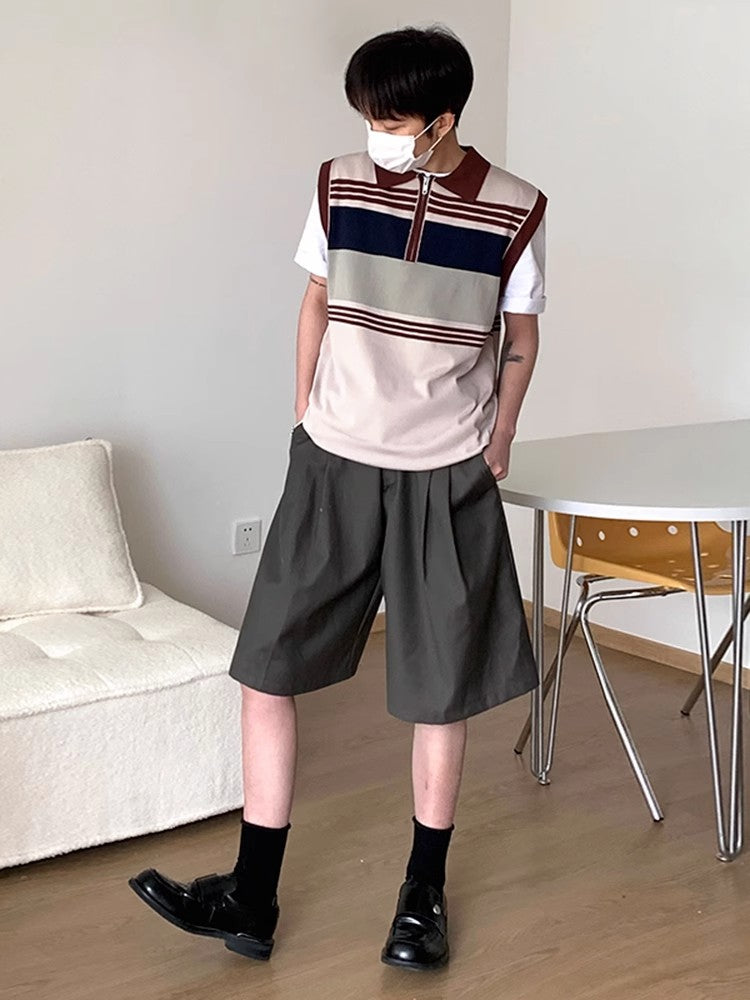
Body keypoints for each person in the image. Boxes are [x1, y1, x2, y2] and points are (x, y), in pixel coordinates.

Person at [129, 23, 547, 973]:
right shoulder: (338, 182)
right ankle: (252, 894)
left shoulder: (517, 208)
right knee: (265, 668)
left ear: (444, 118)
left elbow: (520, 338)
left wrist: (502, 434)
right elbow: (317, 295)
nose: (377, 135)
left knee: (440, 689)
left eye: (393, 121)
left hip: (447, 471)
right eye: (368, 117)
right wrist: (303, 410)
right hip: (334, 461)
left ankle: (421, 900)